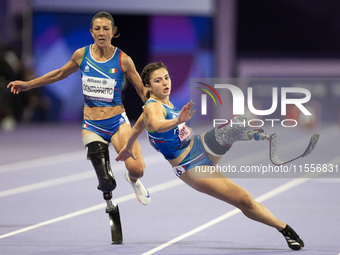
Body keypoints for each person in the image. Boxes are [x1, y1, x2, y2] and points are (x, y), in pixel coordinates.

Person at [115, 62, 304, 250]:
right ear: (148, 87)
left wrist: (128, 147)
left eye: (166, 77)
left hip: (200, 145)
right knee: (244, 200)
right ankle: (285, 229)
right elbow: (156, 124)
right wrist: (178, 120)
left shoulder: (163, 104)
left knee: (237, 124)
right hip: (191, 168)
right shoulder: (152, 107)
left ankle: (259, 136)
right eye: (158, 80)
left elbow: (140, 125)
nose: (165, 83)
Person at [7, 12, 151, 212]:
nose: (102, 33)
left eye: (106, 29)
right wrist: (29, 85)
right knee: (107, 181)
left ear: (113, 32)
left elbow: (140, 89)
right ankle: (108, 193)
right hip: (92, 126)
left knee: (138, 169)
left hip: (117, 122)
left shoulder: (123, 59)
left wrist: (156, 105)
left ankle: (133, 180)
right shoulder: (81, 55)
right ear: (91, 32)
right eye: (97, 29)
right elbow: (59, 73)